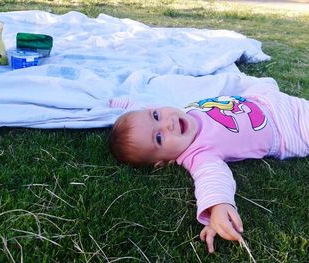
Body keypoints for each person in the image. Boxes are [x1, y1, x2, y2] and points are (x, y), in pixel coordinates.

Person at [108, 84, 309, 253]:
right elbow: (211, 178)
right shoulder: (197, 154)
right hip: (289, 129)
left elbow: (142, 108)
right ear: (164, 162)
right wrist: (217, 206)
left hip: (266, 100)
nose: (167, 123)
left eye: (156, 115)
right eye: (159, 138)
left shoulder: (177, 114)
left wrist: (118, 104)